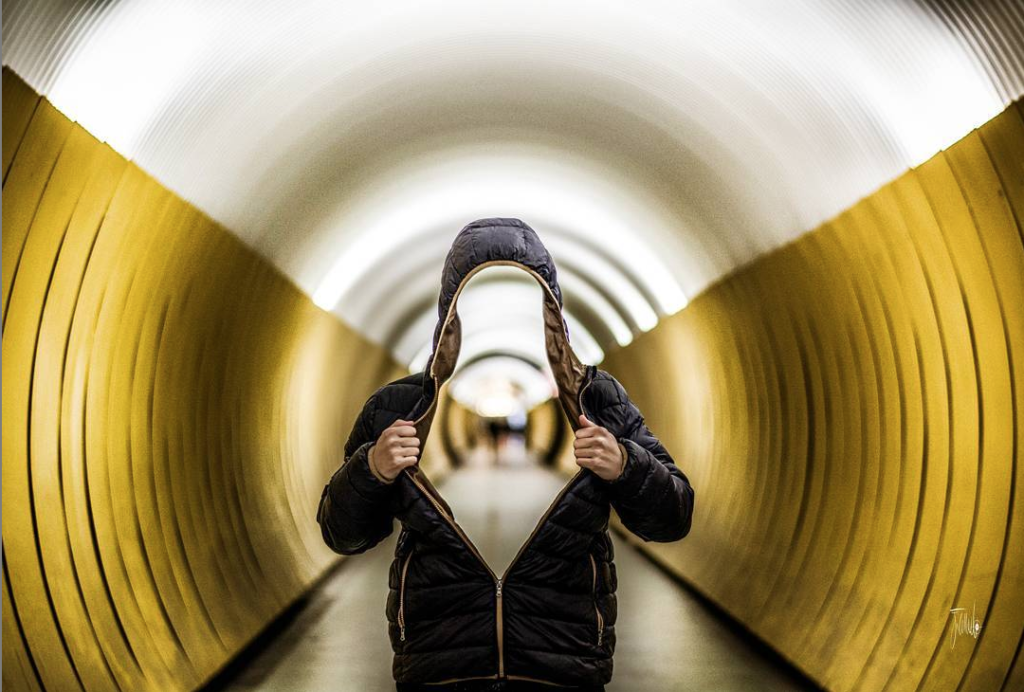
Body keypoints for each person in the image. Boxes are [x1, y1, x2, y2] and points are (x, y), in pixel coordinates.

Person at [317, 217, 695, 691]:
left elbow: (674, 514)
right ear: (447, 319)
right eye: (468, 306)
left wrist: (626, 464)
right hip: (440, 662)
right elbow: (341, 532)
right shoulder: (396, 410)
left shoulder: (600, 402)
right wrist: (371, 468)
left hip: (564, 660)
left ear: (553, 315)